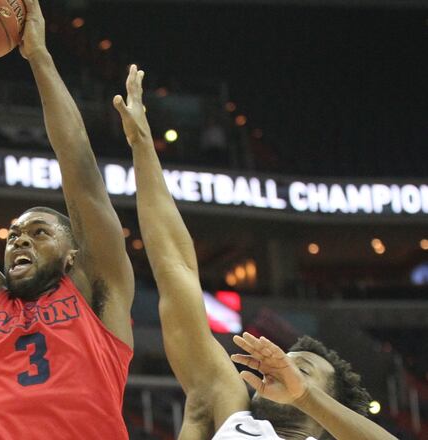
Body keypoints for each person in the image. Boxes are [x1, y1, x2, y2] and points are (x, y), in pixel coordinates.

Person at [112, 64, 396, 440]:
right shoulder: (230, 411)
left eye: (302, 371)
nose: (279, 370)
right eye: (283, 364)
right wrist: (143, 147)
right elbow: (175, 267)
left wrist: (304, 396)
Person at [0, 1, 134, 438]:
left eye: (40, 232)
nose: (20, 240)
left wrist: (38, 54)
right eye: (15, 234)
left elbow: (80, 169)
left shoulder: (97, 288)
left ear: (74, 254)